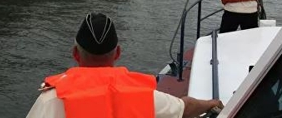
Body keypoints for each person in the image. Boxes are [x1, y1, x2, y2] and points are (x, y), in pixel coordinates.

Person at [26, 13, 223, 118]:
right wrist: (211, 103)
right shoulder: (143, 95)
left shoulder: (51, 100)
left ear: (75, 54)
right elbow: (185, 108)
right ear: (118, 53)